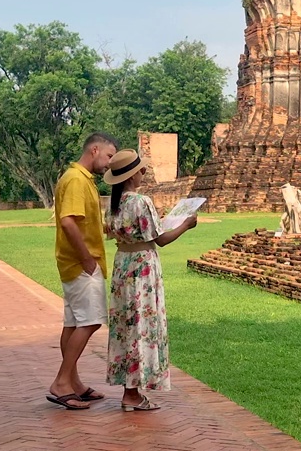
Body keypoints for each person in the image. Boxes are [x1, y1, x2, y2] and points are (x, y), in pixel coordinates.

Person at [102, 149, 198, 411]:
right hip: (143, 268)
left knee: (126, 326)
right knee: (142, 325)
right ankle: (132, 393)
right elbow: (161, 239)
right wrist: (185, 225)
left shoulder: (115, 202)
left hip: (123, 265)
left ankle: (129, 388)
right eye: (141, 169)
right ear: (134, 174)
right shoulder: (140, 201)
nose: (144, 172)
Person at [46, 132, 118, 410]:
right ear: (94, 150)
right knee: (90, 321)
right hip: (81, 264)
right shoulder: (76, 179)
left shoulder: (80, 179)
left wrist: (104, 229)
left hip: (74, 263)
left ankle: (73, 382)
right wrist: (88, 259)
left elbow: (82, 221)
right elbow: (68, 222)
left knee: (74, 322)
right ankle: (62, 381)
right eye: (109, 156)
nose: (109, 163)